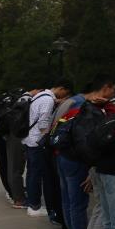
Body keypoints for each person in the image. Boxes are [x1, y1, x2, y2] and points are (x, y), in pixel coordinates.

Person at [52, 74, 115, 229]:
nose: (114, 93)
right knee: (78, 202)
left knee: (68, 199)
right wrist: (92, 166)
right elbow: (88, 140)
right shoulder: (86, 107)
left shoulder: (73, 103)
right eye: (113, 89)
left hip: (62, 155)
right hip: (77, 160)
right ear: (105, 88)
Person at [23, 80, 73, 218]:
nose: (64, 96)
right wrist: (48, 138)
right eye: (66, 93)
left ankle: (32, 203)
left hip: (30, 139)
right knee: (36, 174)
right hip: (37, 142)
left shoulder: (40, 96)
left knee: (32, 173)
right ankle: (34, 206)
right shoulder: (48, 100)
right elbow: (43, 123)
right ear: (62, 88)